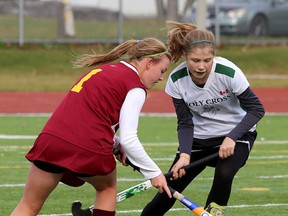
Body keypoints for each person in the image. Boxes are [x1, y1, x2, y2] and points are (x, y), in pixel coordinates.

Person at [11, 38, 172, 216]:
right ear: (149, 63)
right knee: (107, 188)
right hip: (88, 146)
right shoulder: (135, 87)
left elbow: (90, 117)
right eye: (162, 70)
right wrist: (155, 173)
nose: (161, 77)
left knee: (28, 205)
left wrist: (115, 143)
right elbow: (130, 139)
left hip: (52, 140)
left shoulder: (102, 70)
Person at [141, 21, 265, 216]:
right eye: (195, 60)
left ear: (213, 57)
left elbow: (256, 109)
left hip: (237, 134)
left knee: (224, 174)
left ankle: (214, 213)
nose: (201, 67)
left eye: (207, 60)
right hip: (199, 139)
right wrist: (184, 155)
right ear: (184, 56)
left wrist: (231, 137)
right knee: (169, 188)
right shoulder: (176, 80)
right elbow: (185, 122)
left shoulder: (229, 72)